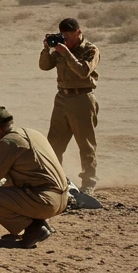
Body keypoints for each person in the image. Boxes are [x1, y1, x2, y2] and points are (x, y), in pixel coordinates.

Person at [0, 106, 67, 248]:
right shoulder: (32, 133)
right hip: (60, 198)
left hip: (45, 202)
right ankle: (39, 223)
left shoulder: (8, 143)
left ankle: (34, 229)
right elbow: (24, 169)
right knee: (9, 185)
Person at [40, 17, 101, 194]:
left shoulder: (90, 50)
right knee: (54, 144)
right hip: (62, 99)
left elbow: (83, 71)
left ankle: (88, 183)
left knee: (85, 144)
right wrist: (46, 49)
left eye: (68, 35)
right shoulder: (60, 48)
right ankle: (54, 180)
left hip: (82, 98)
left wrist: (66, 53)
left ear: (78, 32)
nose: (65, 38)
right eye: (63, 35)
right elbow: (44, 66)